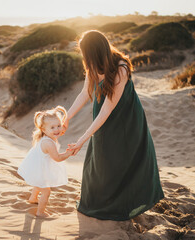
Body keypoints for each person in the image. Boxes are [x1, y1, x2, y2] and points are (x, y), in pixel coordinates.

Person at [65, 30, 164, 221]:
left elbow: (107, 110)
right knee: (100, 160)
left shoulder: (121, 68)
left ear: (94, 52)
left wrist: (81, 139)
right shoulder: (93, 66)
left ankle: (123, 206)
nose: (84, 58)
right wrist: (66, 118)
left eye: (85, 53)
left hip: (125, 120)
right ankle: (98, 203)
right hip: (104, 117)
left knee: (121, 160)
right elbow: (85, 94)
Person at [17, 106, 74, 217]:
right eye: (52, 127)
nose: (57, 130)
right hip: (40, 169)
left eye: (58, 126)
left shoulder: (47, 135)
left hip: (38, 168)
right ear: (43, 130)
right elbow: (57, 158)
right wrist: (68, 153)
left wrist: (58, 129)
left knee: (39, 183)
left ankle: (33, 198)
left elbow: (57, 131)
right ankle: (40, 212)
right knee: (46, 191)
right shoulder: (48, 143)